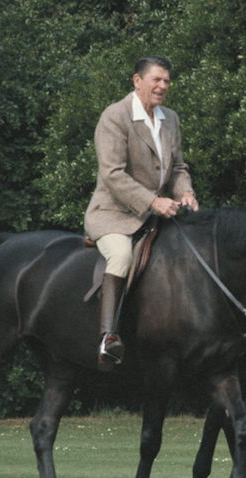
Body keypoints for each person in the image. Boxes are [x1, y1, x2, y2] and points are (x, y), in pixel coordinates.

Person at [84, 55, 198, 369]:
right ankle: (108, 338)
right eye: (156, 80)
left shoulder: (170, 118)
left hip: (154, 214)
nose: (162, 86)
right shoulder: (115, 116)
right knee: (121, 255)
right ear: (137, 81)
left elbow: (177, 168)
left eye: (166, 81)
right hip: (113, 213)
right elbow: (113, 174)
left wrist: (185, 191)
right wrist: (152, 201)